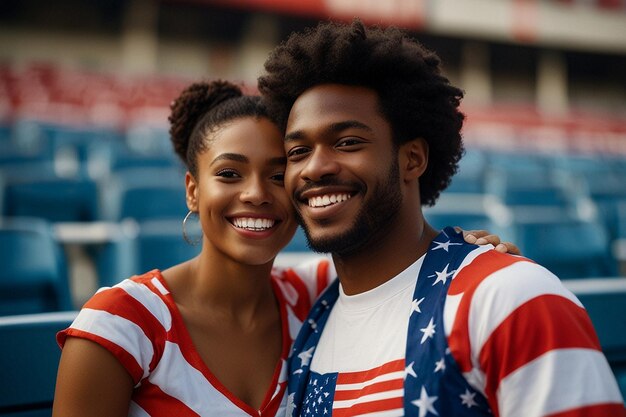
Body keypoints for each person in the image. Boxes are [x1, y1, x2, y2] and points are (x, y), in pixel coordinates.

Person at [51, 80, 513, 417]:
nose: (256, 194)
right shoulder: (120, 323)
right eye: (229, 174)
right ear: (193, 191)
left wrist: (469, 258)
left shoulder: (312, 297)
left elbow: (401, 269)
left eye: (277, 175)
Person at [257, 19, 626, 417]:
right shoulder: (300, 308)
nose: (315, 168)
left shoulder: (510, 297)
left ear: (412, 158)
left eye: (348, 142)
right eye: (297, 152)